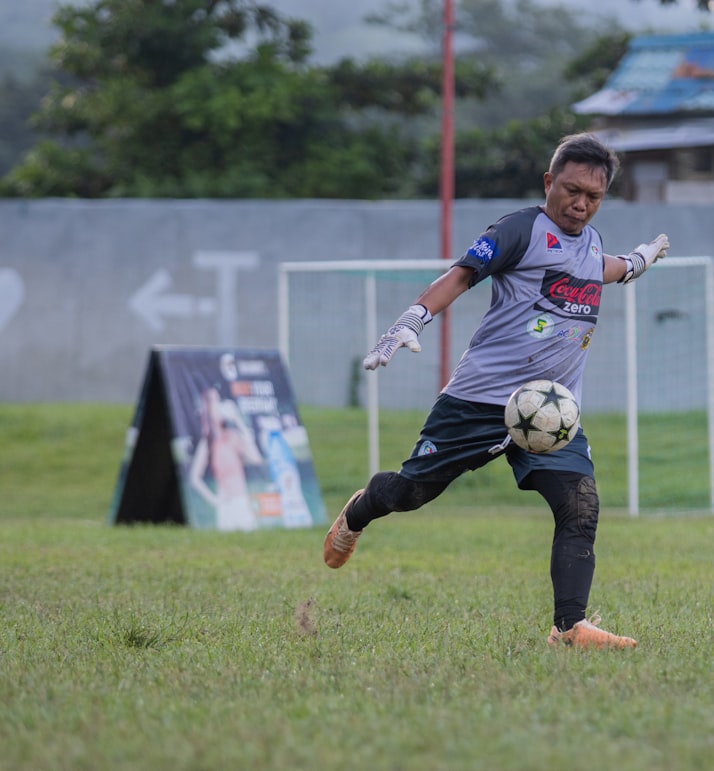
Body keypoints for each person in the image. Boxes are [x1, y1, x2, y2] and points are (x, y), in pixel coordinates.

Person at [323, 133, 669, 650]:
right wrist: (412, 319)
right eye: (571, 190)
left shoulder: (592, 242)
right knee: (411, 493)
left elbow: (604, 269)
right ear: (549, 182)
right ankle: (358, 511)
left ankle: (569, 628)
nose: (580, 204)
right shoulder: (521, 229)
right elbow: (462, 275)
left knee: (580, 507)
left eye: (592, 197)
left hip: (550, 412)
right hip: (478, 402)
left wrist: (639, 260)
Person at [189, 386, 264, 531]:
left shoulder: (231, 436)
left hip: (242, 501)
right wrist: (215, 500)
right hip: (226, 504)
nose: (218, 406)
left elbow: (256, 459)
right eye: (213, 402)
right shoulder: (208, 442)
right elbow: (194, 478)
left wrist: (238, 421)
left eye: (218, 400)